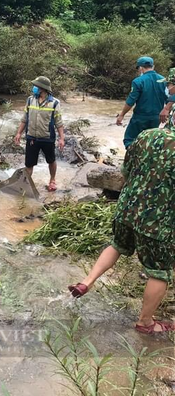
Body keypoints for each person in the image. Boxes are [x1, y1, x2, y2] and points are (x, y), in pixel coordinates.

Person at [68, 127, 175, 335]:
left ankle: (86, 282)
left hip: (127, 208)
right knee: (159, 272)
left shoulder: (147, 135)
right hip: (158, 221)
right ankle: (145, 322)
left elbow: (125, 172)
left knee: (117, 244)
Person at [14, 76, 65, 192]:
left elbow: (59, 122)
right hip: (32, 138)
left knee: (51, 161)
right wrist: (18, 133)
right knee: (29, 164)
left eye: (36, 86)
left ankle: (52, 180)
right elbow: (24, 119)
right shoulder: (30, 100)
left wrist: (62, 138)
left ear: (43, 88)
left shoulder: (54, 103)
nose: (34, 88)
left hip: (47, 138)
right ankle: (25, 184)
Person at [117, 56, 166, 148]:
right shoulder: (163, 80)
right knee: (150, 141)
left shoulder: (138, 81)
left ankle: (133, 160)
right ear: (153, 66)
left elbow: (131, 101)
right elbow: (169, 99)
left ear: (141, 68)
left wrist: (122, 114)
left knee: (130, 140)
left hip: (140, 118)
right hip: (157, 117)